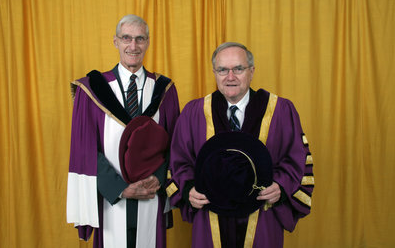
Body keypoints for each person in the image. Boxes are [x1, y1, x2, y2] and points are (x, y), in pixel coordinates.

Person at [166, 42, 314, 247]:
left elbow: (297, 160)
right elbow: (178, 162)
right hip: (210, 221)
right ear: (214, 73)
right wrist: (188, 188)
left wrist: (280, 186)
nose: (230, 77)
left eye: (238, 69)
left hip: (262, 220)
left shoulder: (280, 111)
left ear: (251, 71)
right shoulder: (194, 112)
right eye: (222, 70)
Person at [66, 14, 180, 248]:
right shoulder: (92, 90)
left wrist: (155, 180)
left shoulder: (164, 90)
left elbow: (175, 144)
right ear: (115, 42)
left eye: (140, 39)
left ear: (148, 42)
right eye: (126, 38)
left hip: (151, 194)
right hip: (112, 199)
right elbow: (85, 148)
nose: (133, 45)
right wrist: (121, 188)